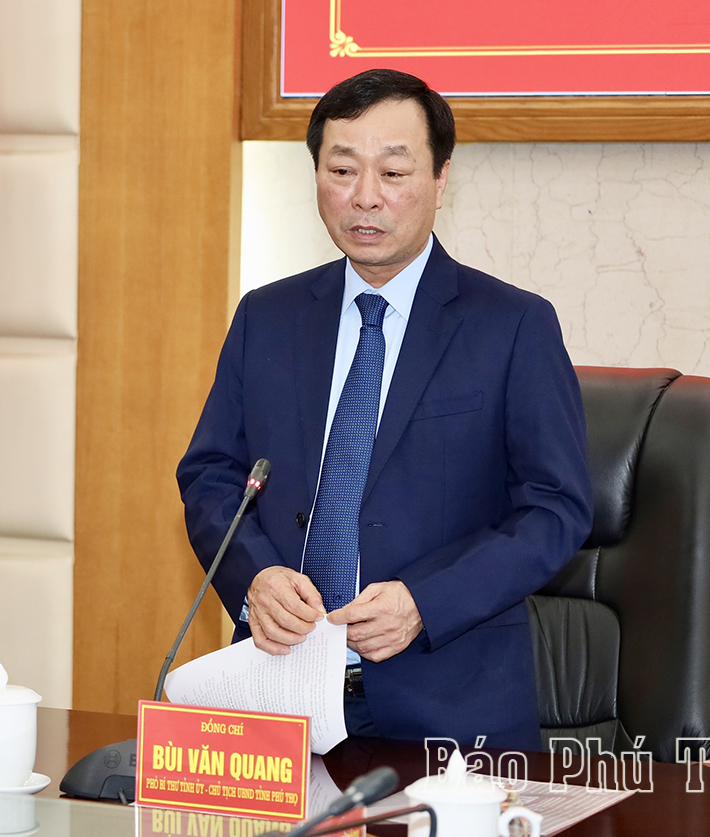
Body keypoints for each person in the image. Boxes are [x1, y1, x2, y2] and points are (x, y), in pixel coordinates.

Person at [176, 69, 592, 751]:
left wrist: (427, 603)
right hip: (280, 697)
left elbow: (556, 507)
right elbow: (212, 474)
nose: (365, 197)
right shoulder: (267, 317)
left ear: (440, 177)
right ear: (316, 175)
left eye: (394, 172)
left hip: (452, 714)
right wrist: (254, 577)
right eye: (342, 169)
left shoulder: (512, 325)